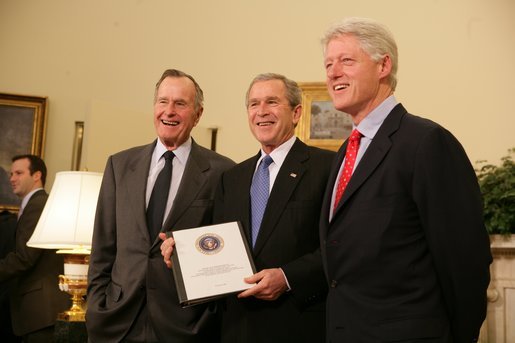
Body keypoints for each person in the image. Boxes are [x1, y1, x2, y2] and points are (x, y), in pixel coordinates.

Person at [319, 17, 492, 342]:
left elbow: (464, 261)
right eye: (328, 63)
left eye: (346, 60)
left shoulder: (427, 143)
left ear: (384, 65)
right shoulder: (346, 151)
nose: (332, 72)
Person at [161, 73, 335, 342]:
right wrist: (182, 256)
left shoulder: (326, 167)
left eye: (272, 102)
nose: (261, 112)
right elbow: (219, 248)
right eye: (254, 104)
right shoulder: (232, 178)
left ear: (296, 112)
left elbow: (339, 246)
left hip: (298, 324)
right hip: (237, 327)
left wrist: (287, 277)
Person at [86, 69, 235, 343]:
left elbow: (225, 255)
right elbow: (103, 248)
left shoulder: (223, 172)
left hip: (185, 324)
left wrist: (207, 316)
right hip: (117, 321)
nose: (170, 111)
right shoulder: (119, 165)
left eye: (180, 104)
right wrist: (96, 308)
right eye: (163, 101)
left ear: (198, 114)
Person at [0, 155, 70, 342]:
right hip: (35, 312)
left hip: (40, 311)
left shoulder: (38, 204)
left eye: (19, 173)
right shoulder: (35, 204)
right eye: (11, 174)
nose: (12, 178)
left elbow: (24, 257)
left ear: (37, 175)